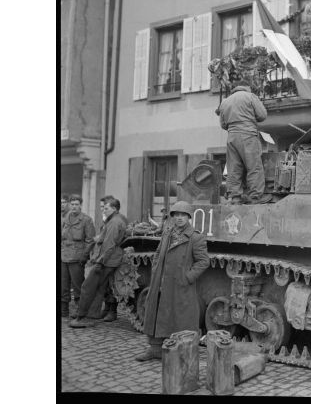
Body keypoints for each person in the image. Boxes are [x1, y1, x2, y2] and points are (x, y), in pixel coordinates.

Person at [135, 201, 210, 361]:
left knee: (180, 317)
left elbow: (203, 261)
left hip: (180, 284)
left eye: (183, 215)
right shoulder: (168, 232)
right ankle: (155, 348)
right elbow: (157, 252)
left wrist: (188, 277)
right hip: (161, 281)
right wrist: (156, 269)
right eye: (176, 215)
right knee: (156, 312)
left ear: (188, 217)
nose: (179, 218)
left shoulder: (195, 237)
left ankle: (181, 349)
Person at [69, 196, 127, 328]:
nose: (104, 211)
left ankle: (82, 317)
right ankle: (90, 315)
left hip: (106, 261)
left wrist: (100, 262)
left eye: (106, 208)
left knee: (87, 287)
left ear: (114, 208)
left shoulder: (114, 222)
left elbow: (109, 245)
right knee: (99, 289)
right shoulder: (117, 219)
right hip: (110, 260)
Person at [218, 79, 272, 204]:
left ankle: (235, 197)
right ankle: (255, 196)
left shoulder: (225, 101)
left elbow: (223, 124)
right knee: (254, 166)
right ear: (247, 87)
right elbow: (262, 115)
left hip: (231, 137)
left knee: (234, 168)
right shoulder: (250, 97)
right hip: (248, 134)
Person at [61, 194, 96, 318]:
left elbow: (90, 240)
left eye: (76, 204)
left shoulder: (86, 220)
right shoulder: (65, 218)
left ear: (81, 205)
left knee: (77, 286)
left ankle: (79, 310)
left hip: (77, 258)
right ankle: (63, 309)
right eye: (72, 204)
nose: (74, 206)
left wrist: (84, 256)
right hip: (63, 256)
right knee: (63, 285)